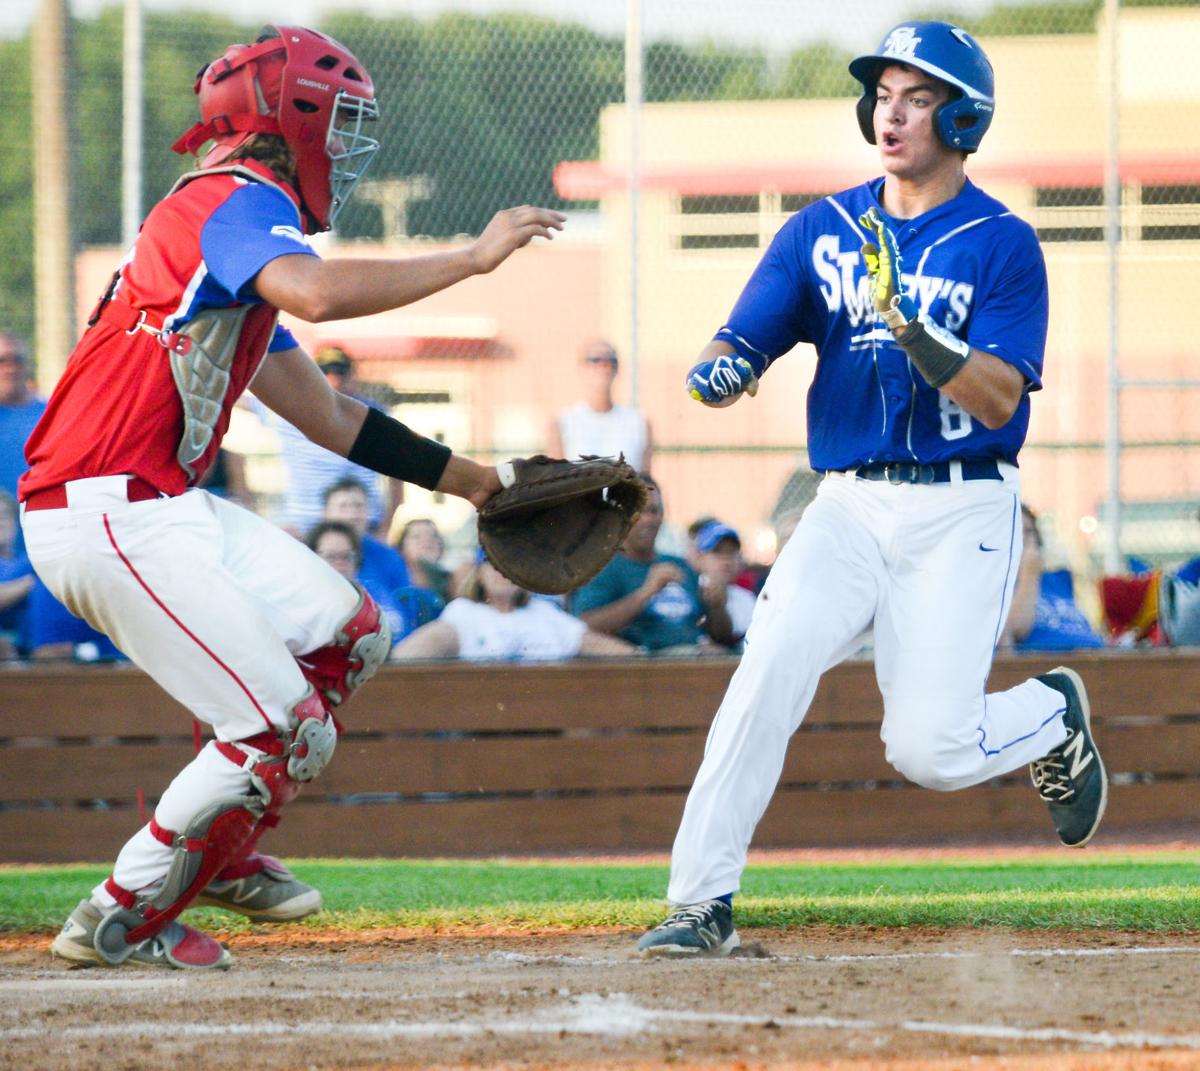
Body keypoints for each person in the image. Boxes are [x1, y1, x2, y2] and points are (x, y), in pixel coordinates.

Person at [19, 24, 563, 971]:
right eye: (338, 125)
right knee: (277, 724)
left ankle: (219, 847)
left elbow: (331, 415)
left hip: (154, 504)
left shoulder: (231, 251)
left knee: (352, 633)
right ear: (288, 121)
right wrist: (471, 259)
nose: (345, 151)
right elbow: (316, 294)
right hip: (106, 510)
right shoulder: (231, 201)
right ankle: (117, 914)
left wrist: (475, 482)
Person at [637, 22, 1107, 958]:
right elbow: (744, 335)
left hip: (963, 506)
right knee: (766, 670)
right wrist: (723, 369)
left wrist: (916, 332)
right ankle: (700, 901)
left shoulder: (1003, 243)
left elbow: (1000, 394)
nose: (892, 114)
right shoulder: (822, 229)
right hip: (847, 503)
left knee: (930, 750)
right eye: (884, 95)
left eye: (918, 98)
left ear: (963, 119)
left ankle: (1051, 712)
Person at [247, 346, 403, 537]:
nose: (333, 381)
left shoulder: (372, 416)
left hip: (362, 525)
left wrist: (385, 527)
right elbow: (239, 398)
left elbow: (397, 473)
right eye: (325, 374)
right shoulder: (288, 408)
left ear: (352, 376)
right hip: (305, 526)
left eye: (340, 374)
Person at [573, 476, 737, 655]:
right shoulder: (604, 567)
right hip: (644, 660)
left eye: (654, 511)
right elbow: (584, 626)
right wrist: (646, 593)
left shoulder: (680, 564)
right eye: (638, 511)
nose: (648, 520)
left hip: (698, 655)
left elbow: (722, 635)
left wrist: (718, 607)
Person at [392, 554, 635, 661]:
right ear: (479, 574)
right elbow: (427, 644)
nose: (503, 573)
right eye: (494, 565)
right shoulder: (464, 611)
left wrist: (641, 660)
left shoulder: (544, 613)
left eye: (512, 567)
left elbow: (591, 642)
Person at [999, 505, 1104, 652]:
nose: (1022, 539)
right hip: (1046, 661)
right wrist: (1029, 574)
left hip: (1094, 655)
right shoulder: (996, 586)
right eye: (1014, 532)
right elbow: (1016, 630)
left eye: (1028, 531)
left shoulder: (1057, 580)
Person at [546, 340, 653, 473]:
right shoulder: (562, 423)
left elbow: (645, 478)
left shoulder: (639, 422)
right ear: (581, 367)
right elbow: (557, 477)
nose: (604, 366)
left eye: (612, 361)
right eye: (595, 360)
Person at [691, 520, 758, 645]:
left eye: (731, 552)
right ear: (700, 558)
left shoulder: (746, 598)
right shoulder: (689, 591)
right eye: (717, 552)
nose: (726, 560)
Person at [0, 334, 47, 502]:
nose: (10, 368)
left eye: (17, 360)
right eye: (2, 361)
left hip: (40, 513)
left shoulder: (50, 415)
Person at [0, 490, 34, 659]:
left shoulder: (25, 561)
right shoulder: (30, 568)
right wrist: (30, 582)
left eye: (5, 516)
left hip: (33, 651)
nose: (1, 522)